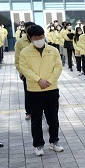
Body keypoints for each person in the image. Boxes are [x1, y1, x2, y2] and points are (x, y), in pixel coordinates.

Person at [18, 25, 64, 156]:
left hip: (51, 88)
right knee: (36, 119)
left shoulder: (53, 50)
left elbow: (58, 67)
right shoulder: (25, 52)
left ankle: (54, 141)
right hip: (34, 90)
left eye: (41, 36)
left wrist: (49, 80)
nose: (39, 39)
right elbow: (25, 69)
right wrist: (39, 80)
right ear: (30, 38)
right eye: (35, 37)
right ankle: (38, 144)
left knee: (53, 117)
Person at [14, 21, 37, 120]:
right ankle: (29, 112)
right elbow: (17, 58)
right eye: (29, 28)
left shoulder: (39, 39)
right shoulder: (20, 42)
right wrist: (20, 71)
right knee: (28, 93)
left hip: (39, 71)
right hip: (26, 72)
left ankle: (40, 110)